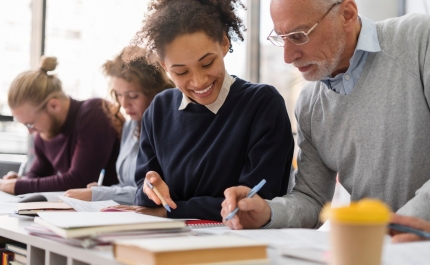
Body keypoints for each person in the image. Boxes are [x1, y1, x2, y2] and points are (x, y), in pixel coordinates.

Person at [221, 0, 430, 229]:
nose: (288, 57)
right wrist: (267, 213)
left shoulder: (419, 39)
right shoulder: (310, 105)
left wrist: (396, 228)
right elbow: (312, 199)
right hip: (371, 249)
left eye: (299, 35)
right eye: (281, 38)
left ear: (347, 15)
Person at [107, 0, 295, 221]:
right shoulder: (159, 109)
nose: (198, 81)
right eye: (181, 72)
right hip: (167, 240)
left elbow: (255, 202)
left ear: (224, 43)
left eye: (207, 64)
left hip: (241, 244)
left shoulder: (262, 105)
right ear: (165, 67)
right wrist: (151, 189)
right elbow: (143, 192)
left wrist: (172, 211)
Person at [64, 47, 175, 204]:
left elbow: (156, 192)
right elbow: (127, 186)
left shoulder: (169, 129)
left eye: (133, 96)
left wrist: (102, 194)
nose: (124, 104)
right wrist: (103, 191)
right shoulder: (130, 127)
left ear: (155, 92)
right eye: (119, 95)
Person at [0, 56, 122, 195]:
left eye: (30, 124)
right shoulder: (44, 132)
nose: (30, 131)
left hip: (121, 208)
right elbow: (37, 174)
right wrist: (21, 180)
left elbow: (79, 180)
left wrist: (19, 186)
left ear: (53, 105)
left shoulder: (95, 112)